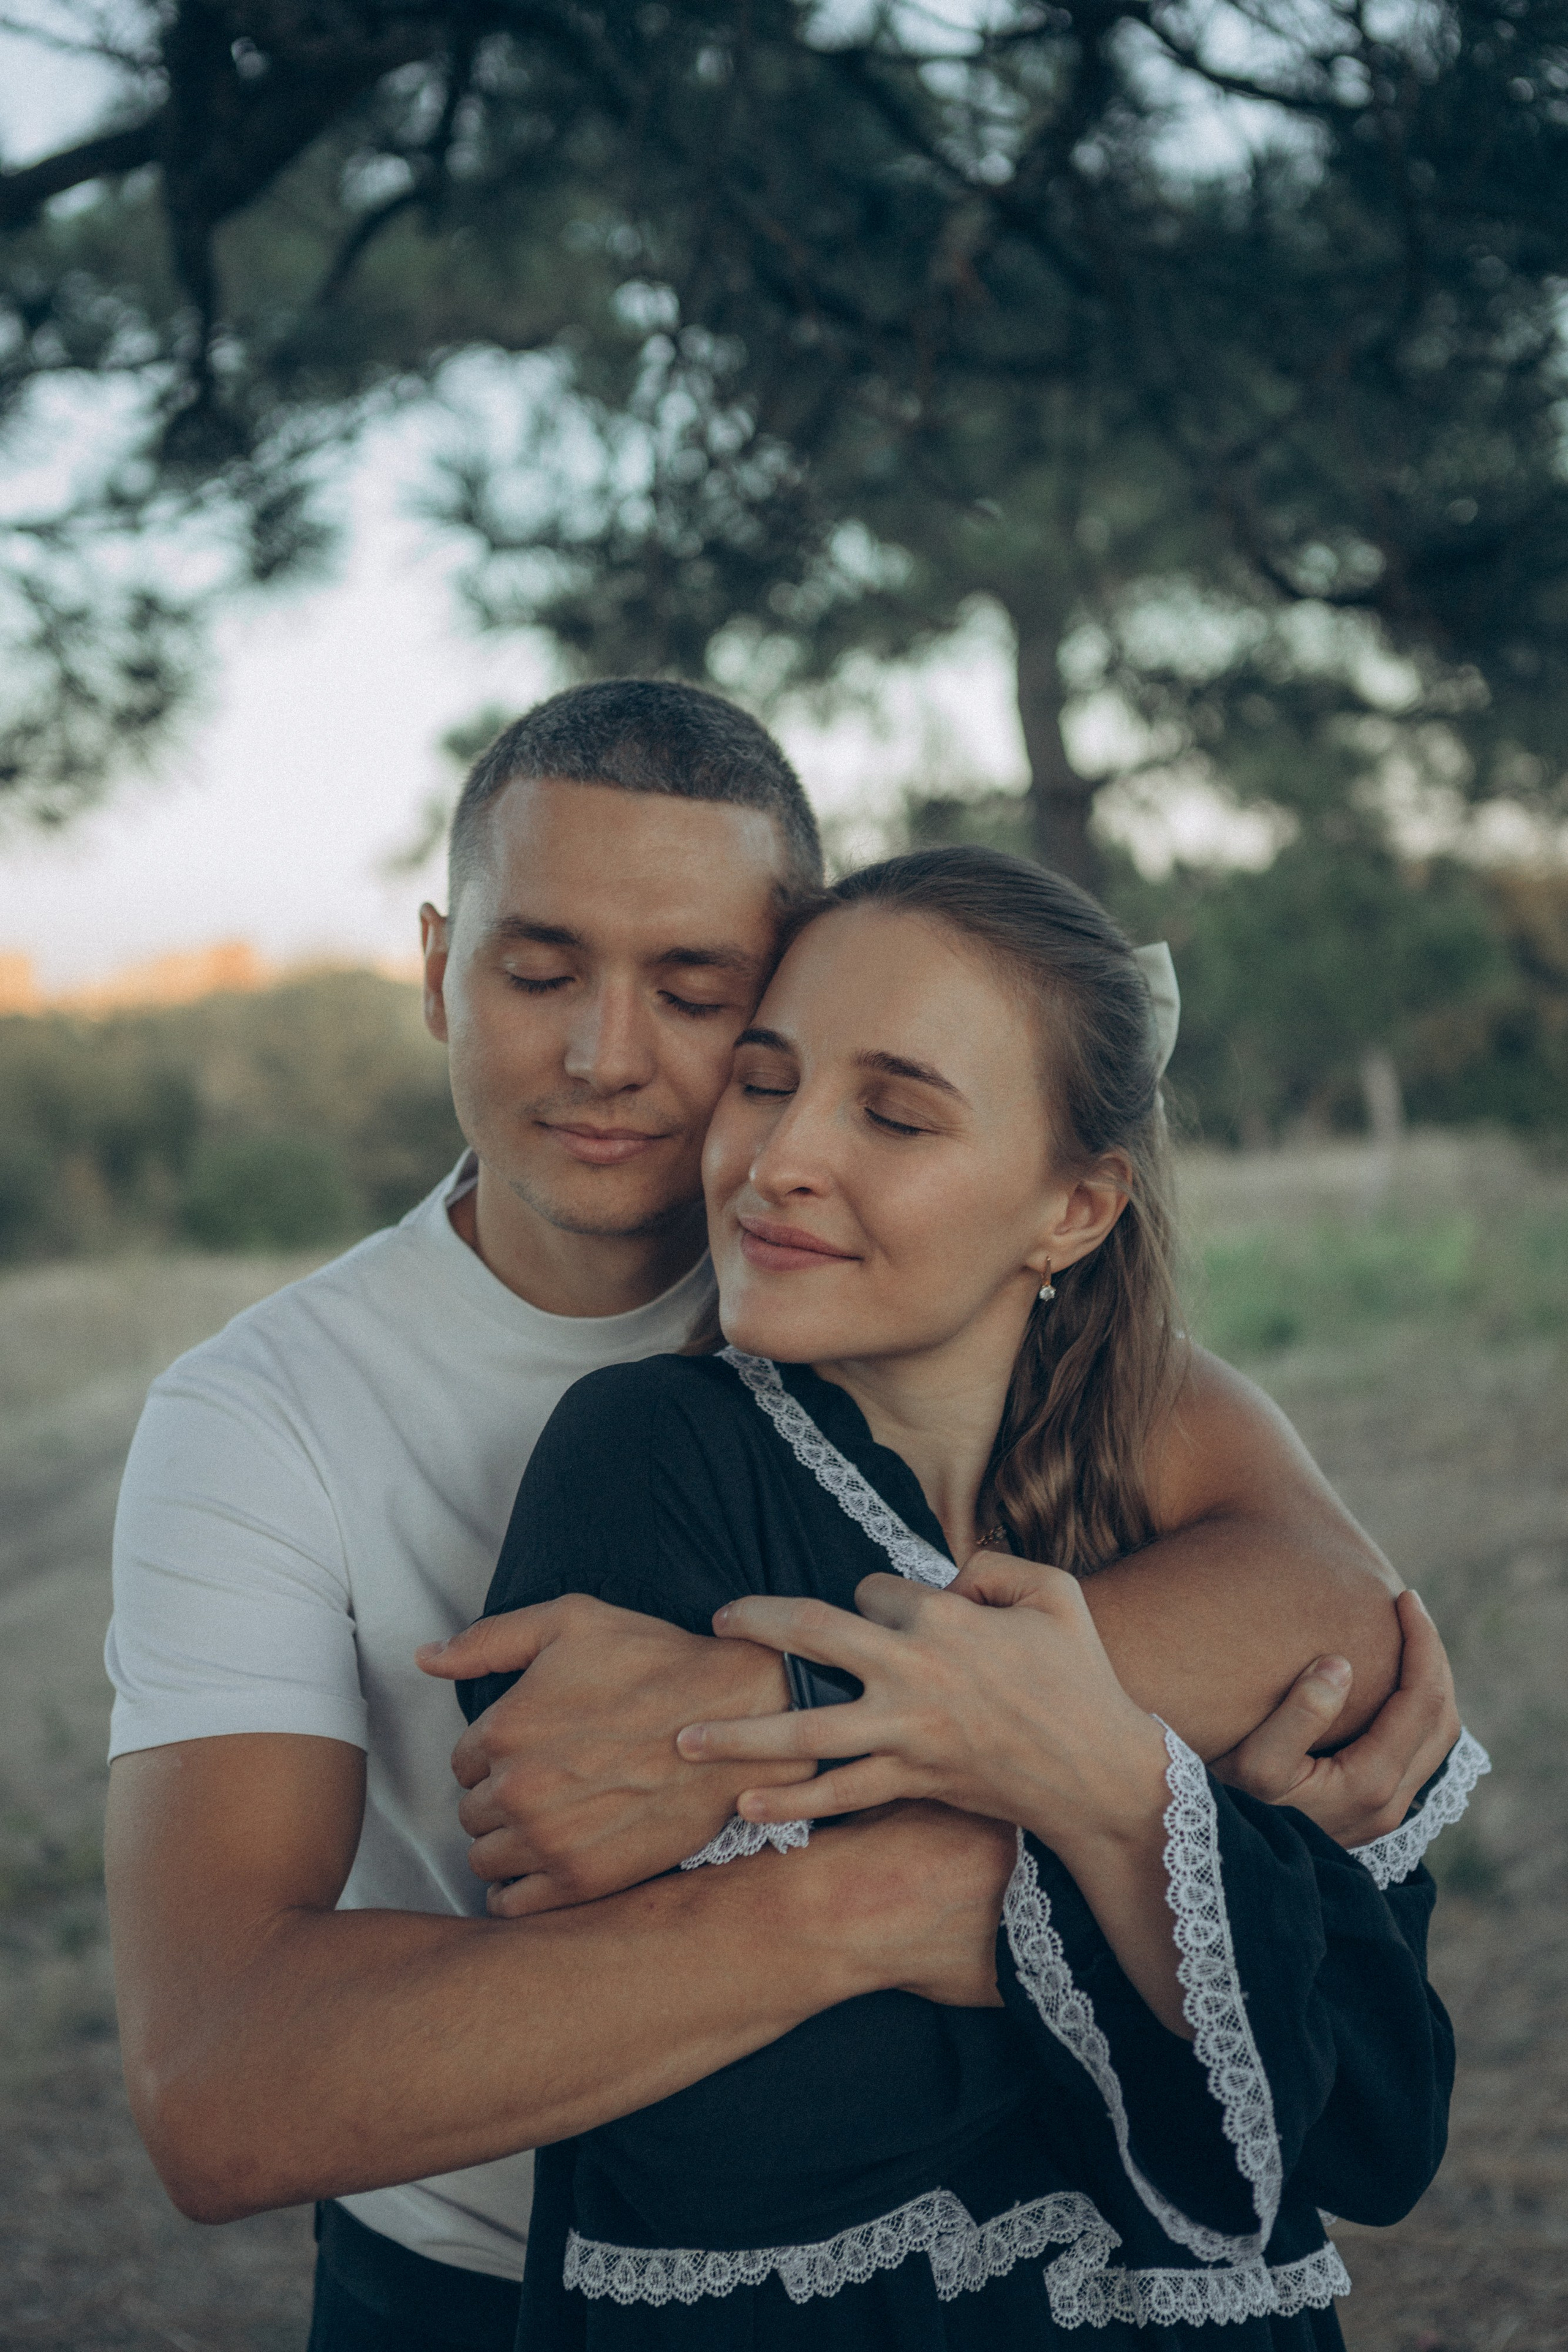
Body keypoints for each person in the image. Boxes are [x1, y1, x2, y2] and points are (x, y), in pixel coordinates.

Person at [102, 682, 1474, 2352]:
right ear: (436, 964)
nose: (607, 1055)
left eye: (698, 996)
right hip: (486, 2273)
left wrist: (782, 1710)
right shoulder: (263, 1417)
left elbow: (1327, 1602)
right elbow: (225, 2094)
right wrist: (951, 1882)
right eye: (537, 972)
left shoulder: (905, 1283)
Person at [465, 845, 1477, 2348]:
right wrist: (1162, 1829)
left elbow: (1373, 2122)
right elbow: (727, 2122)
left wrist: (1033, 1805)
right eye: (763, 1080)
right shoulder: (647, 1458)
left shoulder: (1183, 1481)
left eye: (894, 1112)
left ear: (1071, 1210)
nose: (782, 1157)